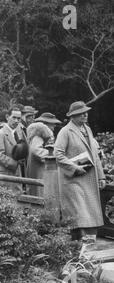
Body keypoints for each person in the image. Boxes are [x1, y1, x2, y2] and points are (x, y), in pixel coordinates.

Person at [54, 101, 106, 243]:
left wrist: (101, 176)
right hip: (73, 180)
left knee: (89, 211)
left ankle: (89, 245)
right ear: (73, 116)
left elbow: (95, 155)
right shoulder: (65, 131)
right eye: (81, 113)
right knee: (79, 212)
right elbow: (58, 155)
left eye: (86, 112)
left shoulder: (87, 129)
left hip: (88, 179)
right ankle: (78, 246)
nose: (85, 114)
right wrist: (74, 167)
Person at [0, 107, 27, 192]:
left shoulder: (18, 134)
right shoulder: (0, 134)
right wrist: (15, 163)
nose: (16, 121)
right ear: (7, 117)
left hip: (16, 174)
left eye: (18, 118)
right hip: (5, 175)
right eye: (14, 117)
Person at [26, 113, 61, 196]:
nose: (54, 126)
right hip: (39, 170)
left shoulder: (41, 136)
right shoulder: (38, 137)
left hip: (40, 169)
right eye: (52, 124)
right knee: (40, 193)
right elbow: (35, 150)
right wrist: (51, 154)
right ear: (46, 125)